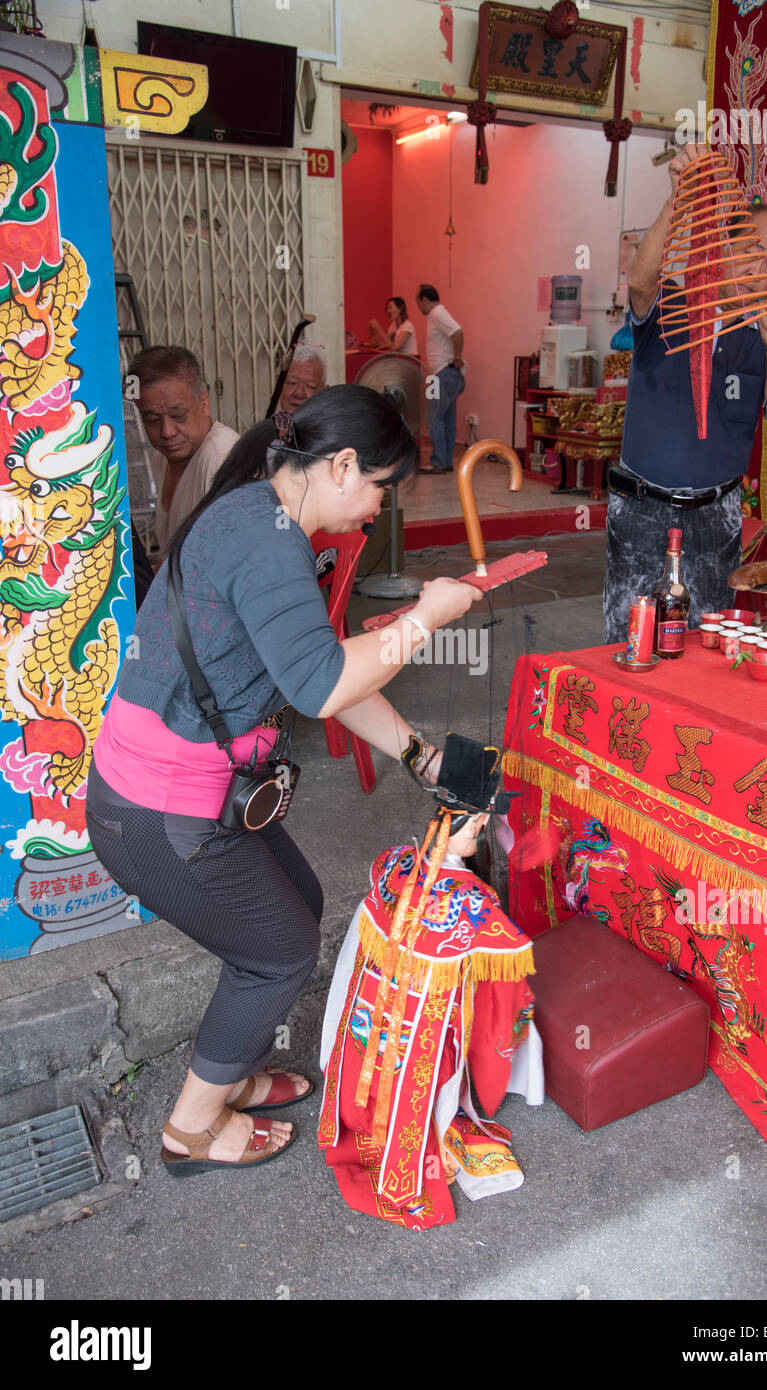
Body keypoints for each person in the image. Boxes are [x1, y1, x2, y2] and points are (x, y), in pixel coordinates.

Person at [85, 385, 481, 1176]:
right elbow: (322, 686)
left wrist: (419, 755)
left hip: (192, 794)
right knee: (278, 950)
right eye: (378, 486)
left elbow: (321, 664)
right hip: (160, 810)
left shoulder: (255, 515)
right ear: (339, 465)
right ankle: (190, 1131)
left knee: (295, 909)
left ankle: (226, 1072)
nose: (377, 507)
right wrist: (425, 618)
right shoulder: (265, 542)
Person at [318, 734, 543, 1229]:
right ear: (482, 820)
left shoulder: (392, 863)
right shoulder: (476, 906)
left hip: (363, 1039)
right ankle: (423, 1138)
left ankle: (355, 1123)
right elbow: (507, 995)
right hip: (420, 1046)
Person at [602, 143, 767, 643]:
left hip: (717, 518)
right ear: (724, 245)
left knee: (708, 647)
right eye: (751, 251)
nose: (759, 269)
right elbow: (639, 279)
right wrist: (680, 196)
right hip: (642, 510)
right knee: (632, 644)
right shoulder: (673, 305)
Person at [128, 346, 239, 555]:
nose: (167, 432)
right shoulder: (161, 458)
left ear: (204, 403)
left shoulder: (221, 459)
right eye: (152, 420)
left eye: (178, 415)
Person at [416, 283, 465, 474]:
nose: (418, 307)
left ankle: (438, 462)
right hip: (445, 374)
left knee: (433, 416)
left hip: (443, 374)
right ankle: (445, 461)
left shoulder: (437, 313)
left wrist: (458, 357)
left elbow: (458, 332)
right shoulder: (435, 315)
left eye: (418, 302)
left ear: (425, 300)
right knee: (447, 418)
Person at [277, 343, 328, 413]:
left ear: (324, 392)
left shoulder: (335, 423)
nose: (299, 393)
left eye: (310, 386)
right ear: (279, 385)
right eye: (292, 383)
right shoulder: (269, 424)